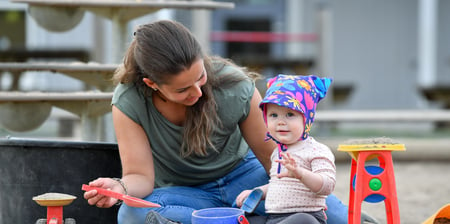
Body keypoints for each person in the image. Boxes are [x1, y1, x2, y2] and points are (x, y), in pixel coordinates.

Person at [82, 19, 359, 224]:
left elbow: (274, 160)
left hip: (248, 180)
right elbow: (140, 177)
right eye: (182, 90)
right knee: (131, 213)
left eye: (200, 77)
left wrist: (282, 191)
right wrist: (121, 187)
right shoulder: (129, 101)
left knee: (335, 215)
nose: (198, 92)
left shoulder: (235, 85)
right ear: (151, 83)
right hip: (185, 194)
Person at [235, 74, 335, 224]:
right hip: (275, 218)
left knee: (304, 220)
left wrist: (300, 174)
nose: (281, 122)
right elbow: (280, 186)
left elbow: (327, 185)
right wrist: (259, 192)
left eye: (290, 114)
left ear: (306, 118)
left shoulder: (316, 150)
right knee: (243, 220)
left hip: (305, 215)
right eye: (273, 115)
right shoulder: (278, 151)